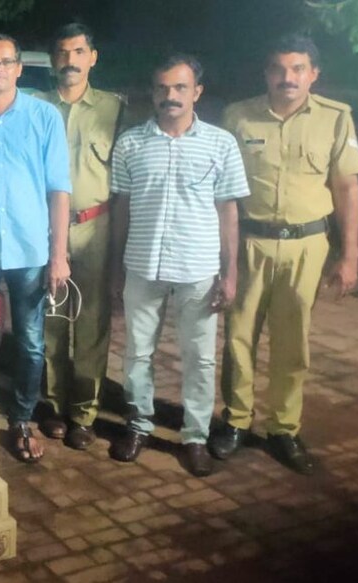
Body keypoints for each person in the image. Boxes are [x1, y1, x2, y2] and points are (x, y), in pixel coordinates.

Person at [214, 34, 358, 474]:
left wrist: (350, 254)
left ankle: (283, 428)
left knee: (292, 341)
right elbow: (220, 189)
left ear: (314, 74)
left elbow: (347, 188)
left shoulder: (336, 119)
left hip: (307, 245)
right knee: (238, 338)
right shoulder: (238, 117)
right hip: (249, 242)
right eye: (278, 69)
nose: (287, 78)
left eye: (298, 69)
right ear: (266, 74)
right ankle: (236, 421)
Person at [108, 54, 248, 477]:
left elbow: (228, 211)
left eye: (180, 88)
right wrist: (116, 265)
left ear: (197, 92)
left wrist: (231, 270)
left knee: (200, 358)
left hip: (199, 268)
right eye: (162, 88)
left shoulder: (221, 144)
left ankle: (195, 436)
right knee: (136, 354)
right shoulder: (131, 143)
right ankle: (139, 425)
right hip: (142, 264)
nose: (170, 96)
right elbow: (122, 209)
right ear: (153, 92)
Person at [0, 32, 72, 463]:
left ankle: (21, 417)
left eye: (6, 62)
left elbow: (59, 190)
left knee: (30, 341)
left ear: (19, 68)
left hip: (29, 251)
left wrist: (58, 254)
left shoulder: (44, 118)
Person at [40, 23, 124, 450]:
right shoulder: (36, 107)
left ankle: (84, 414)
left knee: (91, 322)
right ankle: (54, 405)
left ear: (93, 57)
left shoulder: (115, 109)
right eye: (62, 51)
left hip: (96, 227)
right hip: (47, 228)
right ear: (53, 59)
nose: (69, 60)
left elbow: (124, 181)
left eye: (78, 51)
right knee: (52, 319)